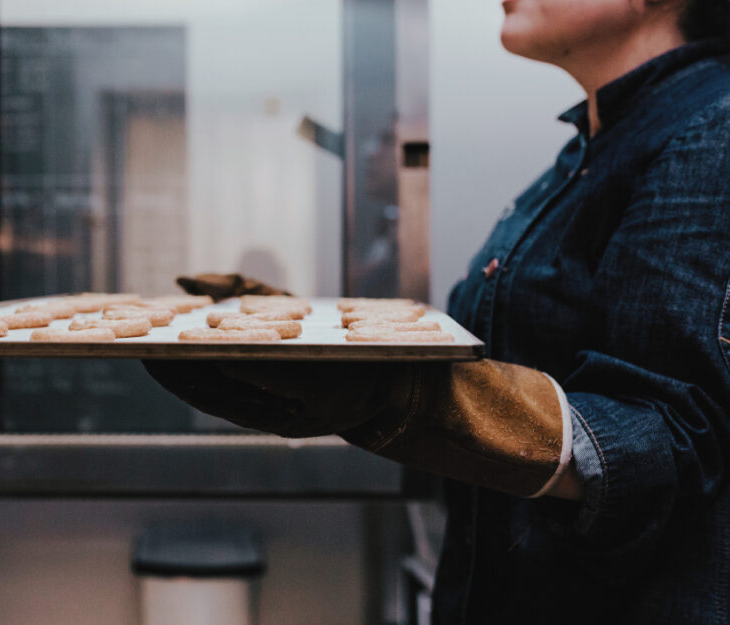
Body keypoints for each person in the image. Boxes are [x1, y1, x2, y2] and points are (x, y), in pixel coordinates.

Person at [146, 0, 730, 621]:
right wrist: (322, 333)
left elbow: (670, 441)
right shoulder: (593, 146)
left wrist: (398, 394)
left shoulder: (710, 131)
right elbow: (520, 355)